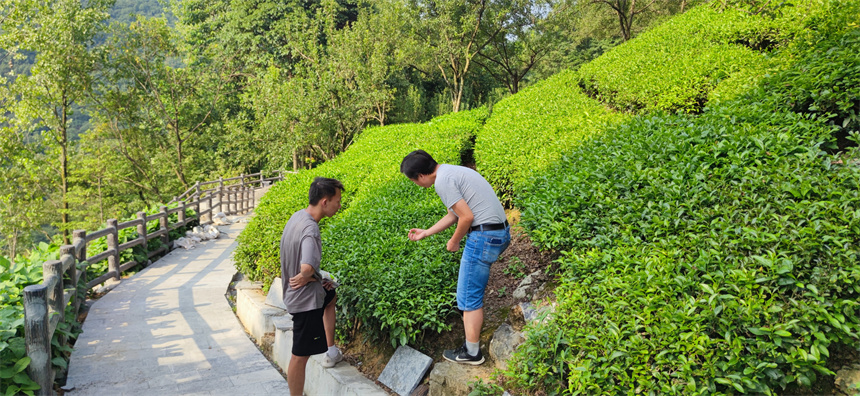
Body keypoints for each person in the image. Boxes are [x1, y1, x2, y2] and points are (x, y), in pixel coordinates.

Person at [400, 150, 511, 365]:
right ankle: (471, 346)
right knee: (470, 292)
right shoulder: (451, 171)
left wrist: (454, 241)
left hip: (484, 237)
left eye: (413, 181)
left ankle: (472, 352)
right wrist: (426, 232)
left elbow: (466, 217)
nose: (416, 184)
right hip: (499, 233)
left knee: (468, 296)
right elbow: (455, 214)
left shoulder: (443, 181)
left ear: (420, 176)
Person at [280, 177, 344, 395]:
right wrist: (307, 276)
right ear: (325, 202)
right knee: (300, 356)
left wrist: (315, 278)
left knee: (331, 296)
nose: (339, 205)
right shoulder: (311, 229)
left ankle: (331, 350)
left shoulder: (298, 216)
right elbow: (306, 267)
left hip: (302, 293)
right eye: (337, 201)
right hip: (305, 301)